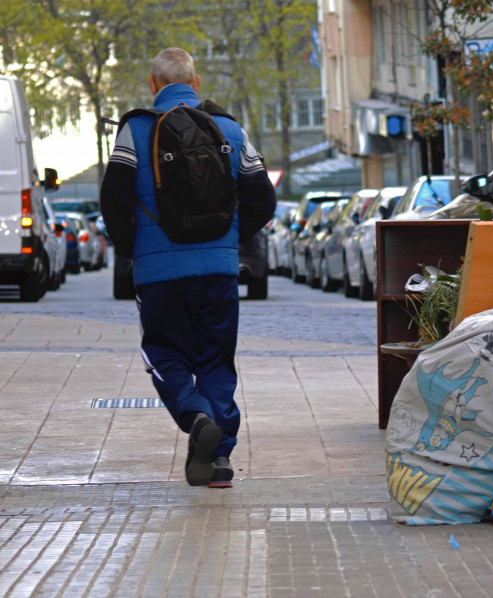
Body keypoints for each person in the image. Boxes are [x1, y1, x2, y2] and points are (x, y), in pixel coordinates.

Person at [100, 48, 277, 488]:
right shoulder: (230, 129)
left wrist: (132, 250)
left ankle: (195, 416)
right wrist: (230, 238)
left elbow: (114, 199)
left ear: (152, 84)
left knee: (164, 354)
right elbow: (263, 201)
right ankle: (219, 462)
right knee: (217, 359)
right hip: (218, 270)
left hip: (158, 274)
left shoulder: (134, 131)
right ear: (195, 83)